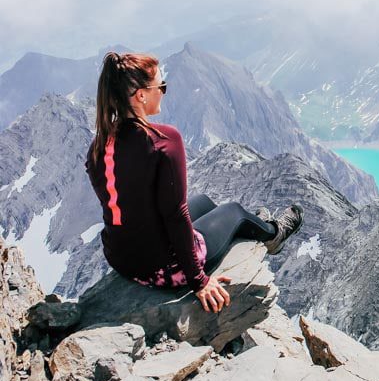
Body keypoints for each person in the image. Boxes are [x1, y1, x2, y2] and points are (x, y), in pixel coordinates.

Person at [84, 51, 303, 313]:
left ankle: (250, 225)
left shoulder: (99, 147)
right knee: (234, 211)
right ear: (141, 95)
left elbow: (131, 201)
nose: (163, 91)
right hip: (161, 268)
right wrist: (199, 281)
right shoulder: (163, 140)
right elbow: (175, 215)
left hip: (121, 258)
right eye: (160, 86)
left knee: (204, 202)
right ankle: (273, 234)